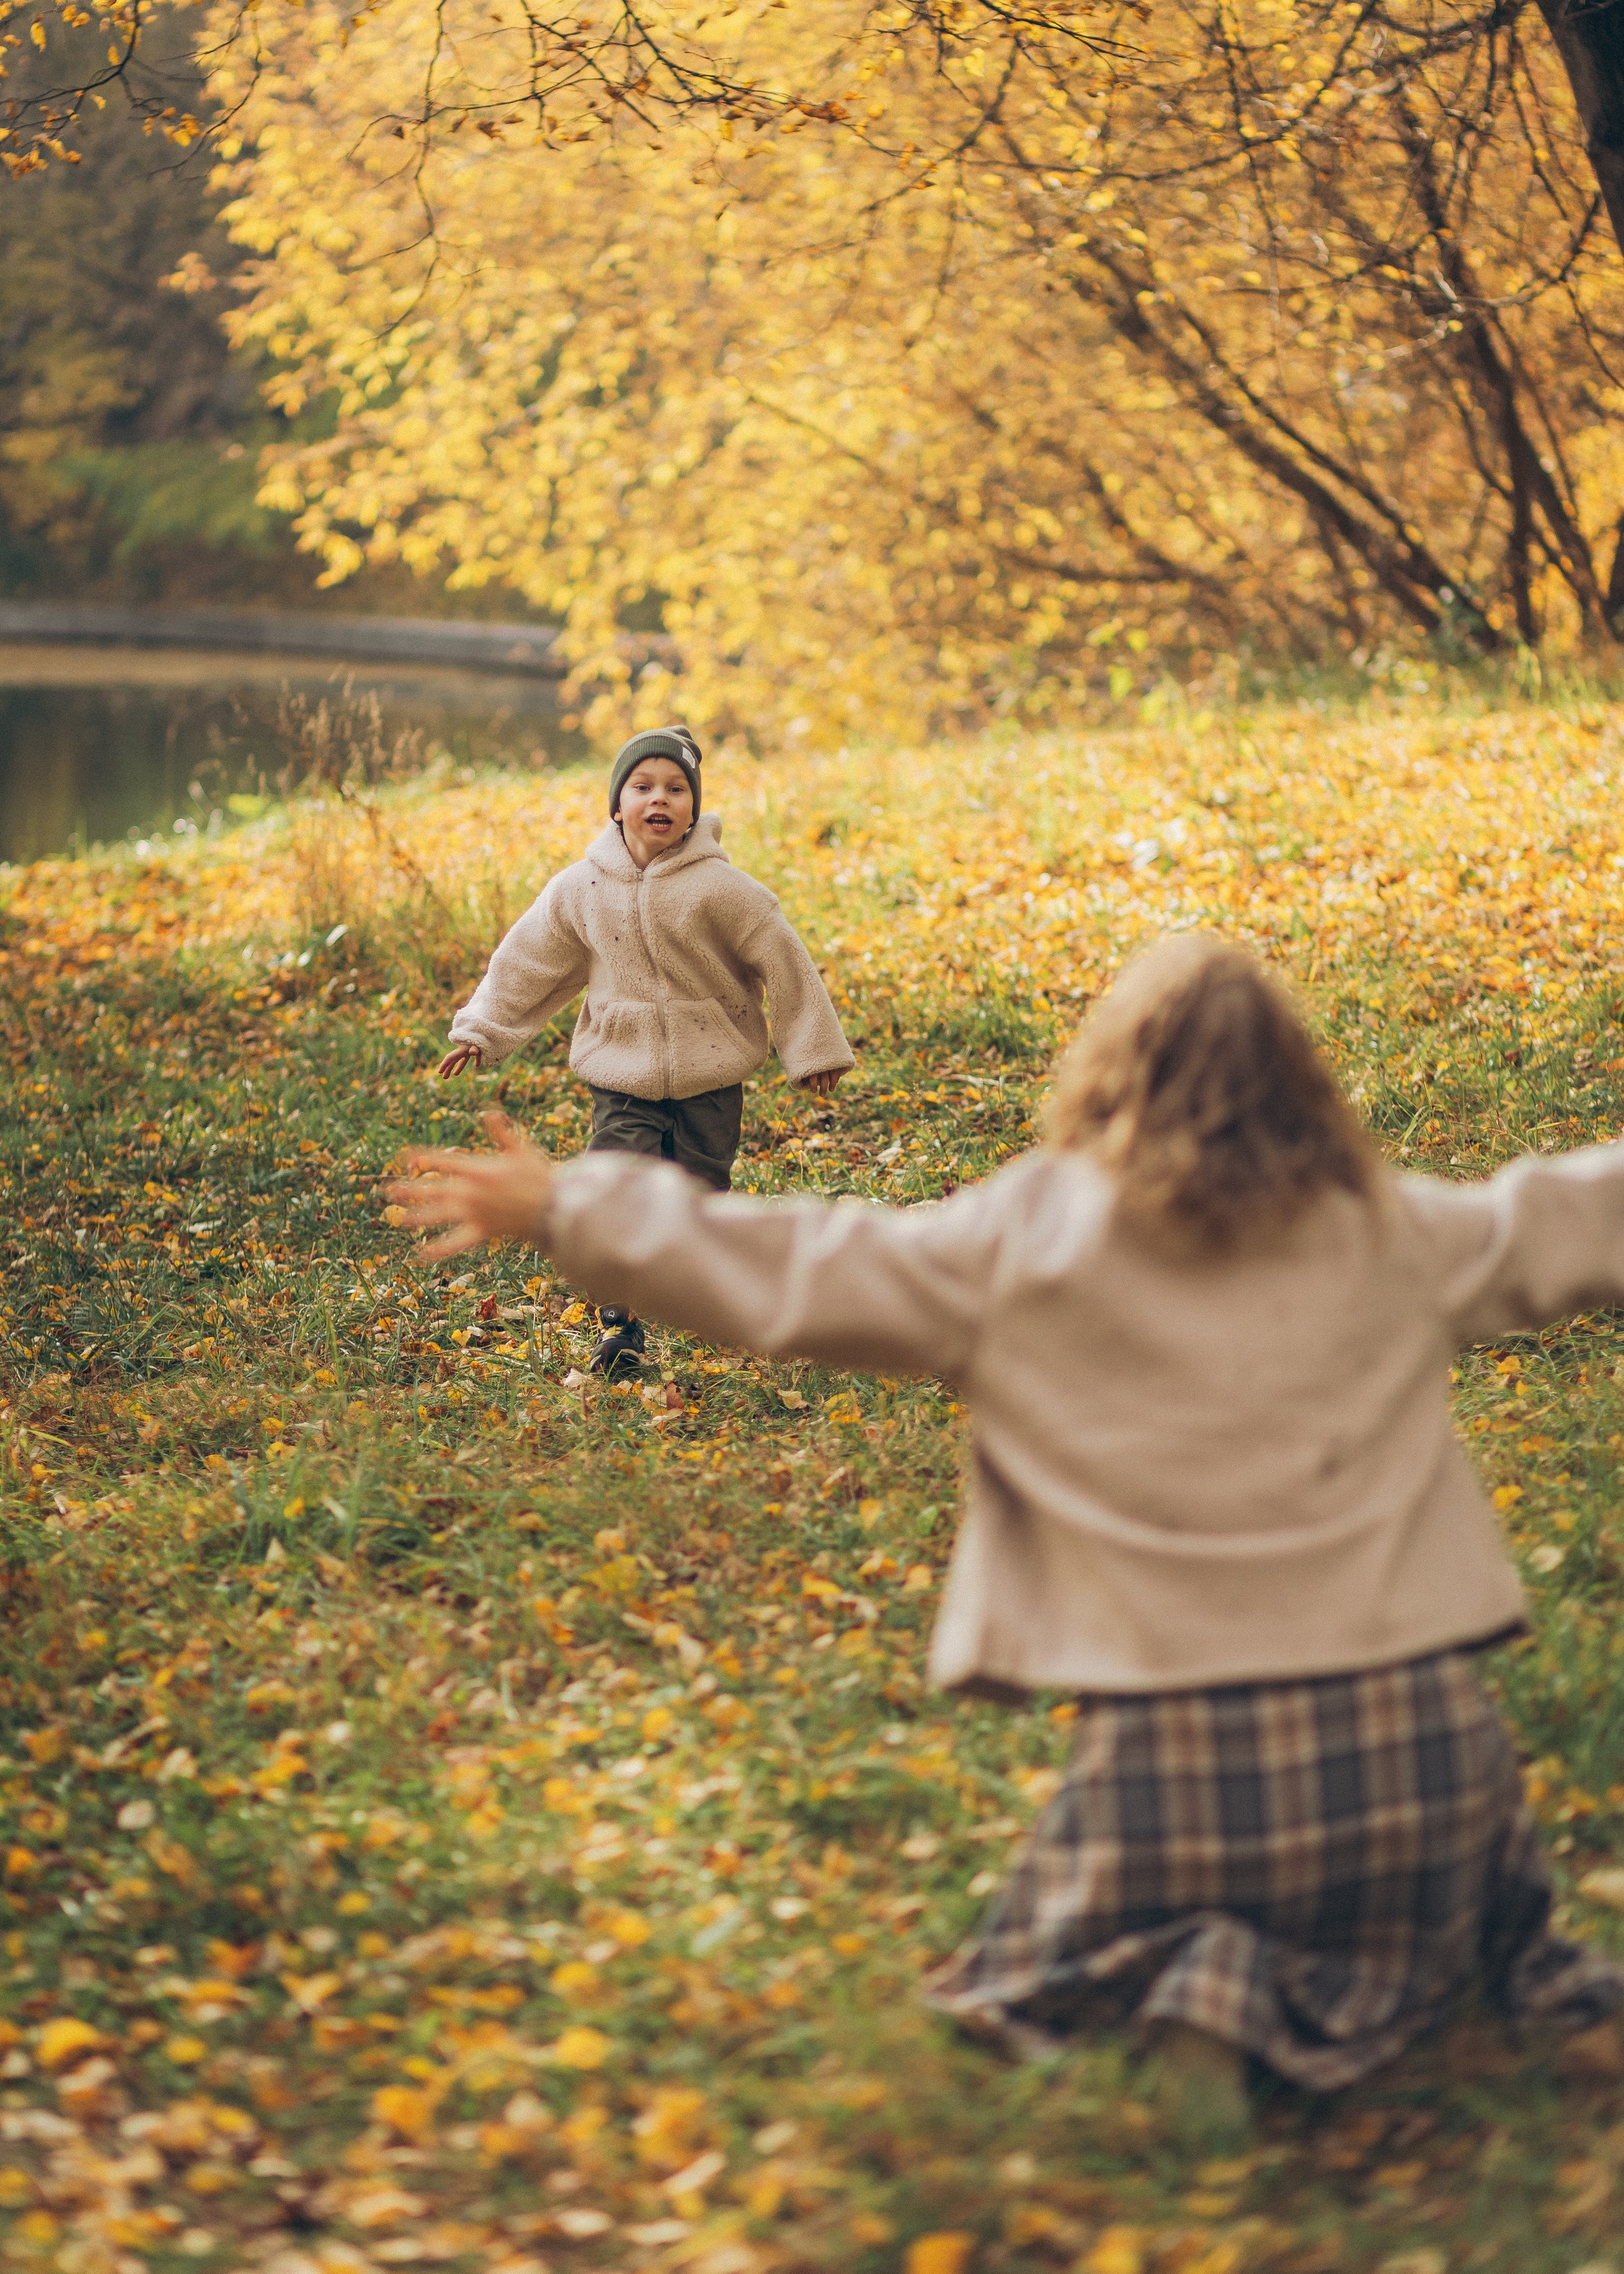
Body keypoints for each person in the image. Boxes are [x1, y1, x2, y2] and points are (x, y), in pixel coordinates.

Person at [394, 933, 1624, 2144]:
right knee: (1485, 1919)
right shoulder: (1386, 1232)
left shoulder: (1024, 1240)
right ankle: (1433, 1996)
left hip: (1168, 1762)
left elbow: (796, 1261)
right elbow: (1561, 1215)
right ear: (1298, 1084)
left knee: (1074, 1940)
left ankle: (1198, 1999)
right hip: (1413, 1744)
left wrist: (571, 1201)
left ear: (1104, 1072)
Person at [437, 725, 852, 1376]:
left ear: (693, 808)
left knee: (700, 1197)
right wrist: (481, 1028)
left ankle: (710, 1298)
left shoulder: (722, 887)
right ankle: (621, 1327)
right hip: (622, 1072)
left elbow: (783, 957)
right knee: (612, 1191)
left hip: (710, 1073)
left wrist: (812, 1049)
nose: (659, 798)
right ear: (617, 803)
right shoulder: (581, 888)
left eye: (675, 788)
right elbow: (528, 960)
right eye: (642, 785)